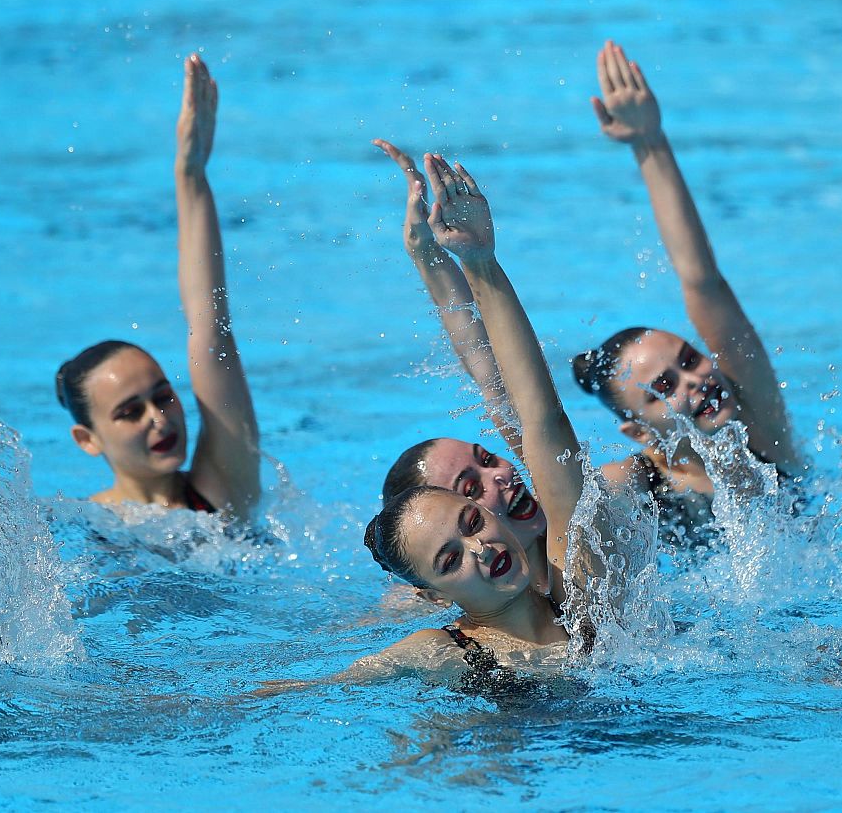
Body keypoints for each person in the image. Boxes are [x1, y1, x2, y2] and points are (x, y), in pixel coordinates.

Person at [259, 154, 645, 694]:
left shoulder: (580, 579)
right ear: (434, 593)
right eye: (449, 555)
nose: (482, 544)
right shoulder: (447, 649)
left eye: (469, 520)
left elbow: (530, 411)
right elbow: (308, 692)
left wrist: (471, 260)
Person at [571, 41, 804, 536]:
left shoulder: (761, 429)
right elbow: (561, 508)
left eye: (689, 359)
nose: (693, 381)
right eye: (663, 388)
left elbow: (703, 280)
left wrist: (649, 144)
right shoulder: (639, 487)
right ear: (640, 434)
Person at [54, 53, 261, 520]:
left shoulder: (222, 489)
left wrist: (190, 175)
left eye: (163, 395)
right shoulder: (77, 530)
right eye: (130, 412)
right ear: (89, 440)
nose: (159, 418)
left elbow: (211, 333)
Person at [373, 139, 549, 595]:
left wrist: (427, 253)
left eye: (487, 459)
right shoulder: (449, 622)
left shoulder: (575, 510)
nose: (504, 475)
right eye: (471, 493)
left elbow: (491, 374)